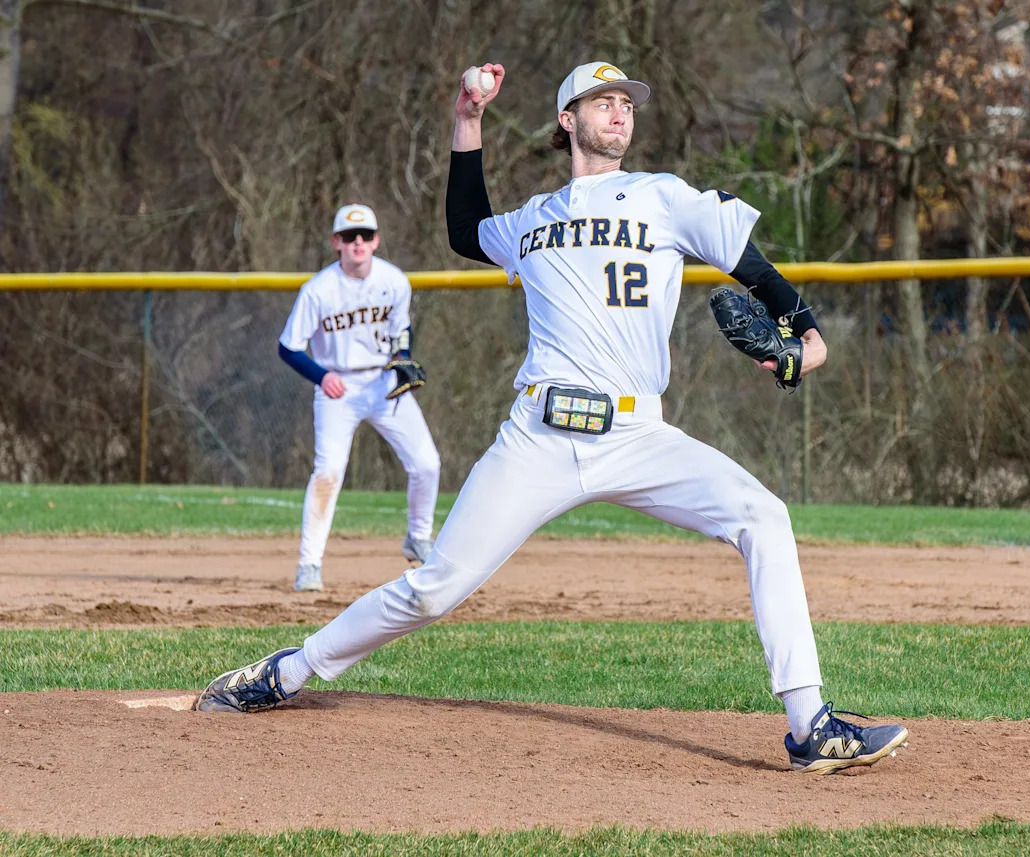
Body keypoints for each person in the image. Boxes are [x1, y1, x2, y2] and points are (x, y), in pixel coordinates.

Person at [195, 63, 907, 775]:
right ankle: (286, 671)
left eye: (627, 104)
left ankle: (810, 726)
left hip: (638, 435)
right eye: (603, 102)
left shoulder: (663, 196)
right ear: (568, 120)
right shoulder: (533, 217)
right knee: (434, 588)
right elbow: (466, 230)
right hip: (537, 436)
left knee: (764, 516)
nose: (620, 113)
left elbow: (753, 267)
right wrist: (467, 120)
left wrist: (808, 336)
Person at [277, 204, 441, 592]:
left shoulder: (394, 280)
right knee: (328, 472)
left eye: (365, 235)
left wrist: (402, 359)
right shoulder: (318, 290)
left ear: (376, 241)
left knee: (427, 464)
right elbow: (288, 347)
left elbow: (401, 332)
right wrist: (321, 376)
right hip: (338, 388)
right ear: (336, 242)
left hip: (383, 383)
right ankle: (309, 564)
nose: (358, 243)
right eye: (349, 237)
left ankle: (418, 536)